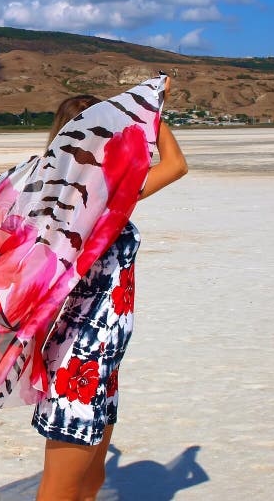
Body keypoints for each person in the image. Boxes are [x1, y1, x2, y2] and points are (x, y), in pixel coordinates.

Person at [34, 79, 188, 501]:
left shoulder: (111, 195)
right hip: (77, 362)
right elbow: (41, 284)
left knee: (92, 483)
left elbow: (176, 165)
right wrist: (150, 108)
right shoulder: (64, 210)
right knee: (60, 490)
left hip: (104, 361)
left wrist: (149, 112)